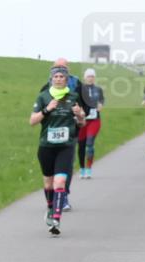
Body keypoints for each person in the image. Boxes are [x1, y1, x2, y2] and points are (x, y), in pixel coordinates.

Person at [30, 64, 87, 235]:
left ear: (67, 79)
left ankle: (56, 218)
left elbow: (82, 123)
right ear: (51, 79)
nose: (59, 79)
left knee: (60, 182)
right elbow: (32, 121)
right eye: (56, 77)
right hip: (46, 147)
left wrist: (79, 114)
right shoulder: (43, 97)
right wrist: (47, 110)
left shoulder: (74, 97)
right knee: (48, 183)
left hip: (66, 146)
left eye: (62, 76)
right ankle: (50, 207)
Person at [39, 59, 86, 209]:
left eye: (63, 68)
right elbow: (40, 107)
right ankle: (53, 199)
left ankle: (63, 194)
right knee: (51, 172)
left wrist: (79, 114)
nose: (60, 71)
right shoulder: (47, 87)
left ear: (68, 70)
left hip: (71, 129)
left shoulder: (77, 84)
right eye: (57, 68)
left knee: (66, 166)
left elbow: (83, 104)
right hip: (51, 131)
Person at [77, 68, 105, 178]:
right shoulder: (79, 89)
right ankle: (82, 168)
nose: (90, 78)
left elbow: (102, 99)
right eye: (88, 76)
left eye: (92, 76)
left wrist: (101, 105)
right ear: (85, 77)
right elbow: (75, 101)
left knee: (89, 144)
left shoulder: (98, 89)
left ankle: (89, 168)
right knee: (81, 146)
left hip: (94, 120)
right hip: (82, 121)